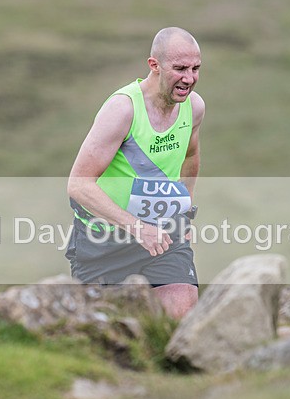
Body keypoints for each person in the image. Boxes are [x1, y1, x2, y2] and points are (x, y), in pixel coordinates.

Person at [66, 26, 205, 319]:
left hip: (163, 235)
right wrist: (138, 228)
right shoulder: (123, 109)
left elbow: (191, 156)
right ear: (154, 65)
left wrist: (185, 211)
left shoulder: (193, 107)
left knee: (181, 306)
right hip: (104, 242)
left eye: (195, 69)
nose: (189, 78)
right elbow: (78, 185)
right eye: (180, 69)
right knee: (107, 327)